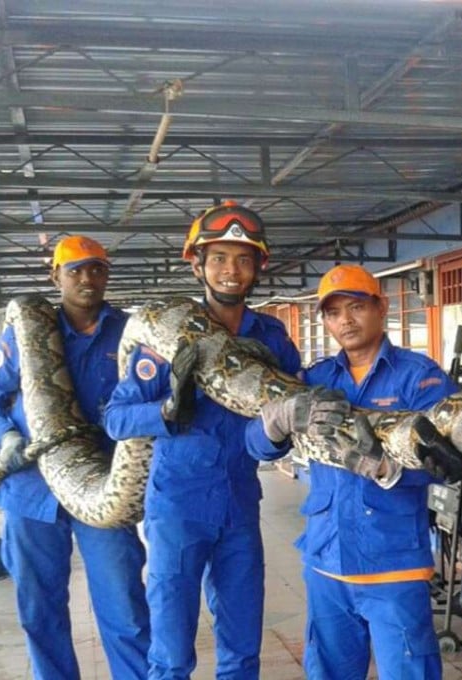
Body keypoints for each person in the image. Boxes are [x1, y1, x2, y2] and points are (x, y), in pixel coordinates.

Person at [103, 203, 303, 679]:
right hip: (176, 507)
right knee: (170, 653)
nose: (230, 271)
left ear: (259, 267)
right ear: (197, 264)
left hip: (239, 505)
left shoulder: (271, 338)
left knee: (241, 648)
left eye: (243, 259)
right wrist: (166, 413)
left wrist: (276, 435)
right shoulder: (165, 338)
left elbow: (281, 425)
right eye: (218, 259)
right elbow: (115, 418)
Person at [245, 264, 462, 680]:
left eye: (356, 307)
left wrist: (390, 470)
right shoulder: (314, 380)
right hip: (326, 561)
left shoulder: (420, 378)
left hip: (394, 564)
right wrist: (273, 424)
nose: (345, 321)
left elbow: (455, 463)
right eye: (333, 313)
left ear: (380, 308)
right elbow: (254, 445)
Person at [0, 235, 151, 679]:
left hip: (101, 486)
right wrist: (5, 436)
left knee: (124, 604)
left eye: (97, 268)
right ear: (56, 276)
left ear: (107, 274)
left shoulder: (128, 332)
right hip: (31, 491)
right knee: (39, 608)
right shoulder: (24, 332)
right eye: (75, 270)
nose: (87, 278)